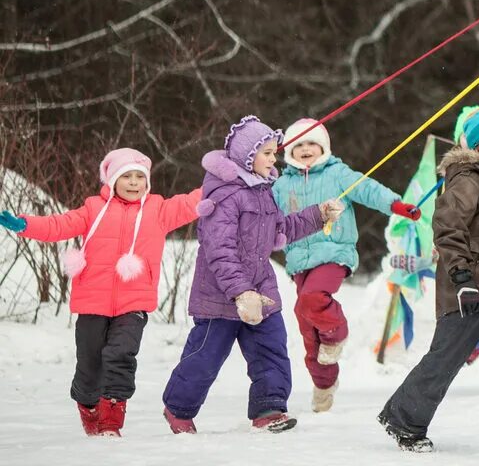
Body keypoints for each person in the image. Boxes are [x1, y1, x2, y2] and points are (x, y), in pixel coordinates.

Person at [1, 149, 201, 436]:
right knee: (89, 364)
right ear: (111, 180)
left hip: (133, 302)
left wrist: (226, 178)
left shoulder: (158, 210)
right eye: (126, 176)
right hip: (92, 301)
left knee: (121, 355)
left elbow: (192, 202)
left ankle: (111, 421)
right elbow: (60, 225)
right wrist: (26, 224)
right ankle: (88, 405)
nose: (134, 183)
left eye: (139, 177)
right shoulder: (93, 209)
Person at [162, 116, 343, 434]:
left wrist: (318, 214)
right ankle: (179, 408)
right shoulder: (225, 197)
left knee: (271, 349)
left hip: (262, 289)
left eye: (274, 153)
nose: (275, 159)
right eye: (268, 153)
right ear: (248, 156)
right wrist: (240, 292)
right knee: (205, 357)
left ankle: (269, 408)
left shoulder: (265, 191)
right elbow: (220, 251)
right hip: (219, 297)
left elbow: (283, 228)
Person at [380, 107, 479, 453]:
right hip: (470, 289)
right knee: (445, 360)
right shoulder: (468, 177)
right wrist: (461, 278)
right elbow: (448, 228)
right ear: (476, 143)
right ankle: (403, 420)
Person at [273, 118, 421, 412]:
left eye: (310, 143)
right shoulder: (281, 184)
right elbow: (265, 215)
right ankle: (324, 383)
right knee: (306, 325)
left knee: (313, 299)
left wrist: (397, 205)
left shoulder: (337, 173)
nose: (304, 149)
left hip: (334, 252)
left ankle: (337, 332)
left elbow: (368, 189)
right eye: (298, 144)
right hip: (299, 260)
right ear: (288, 151)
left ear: (323, 147)